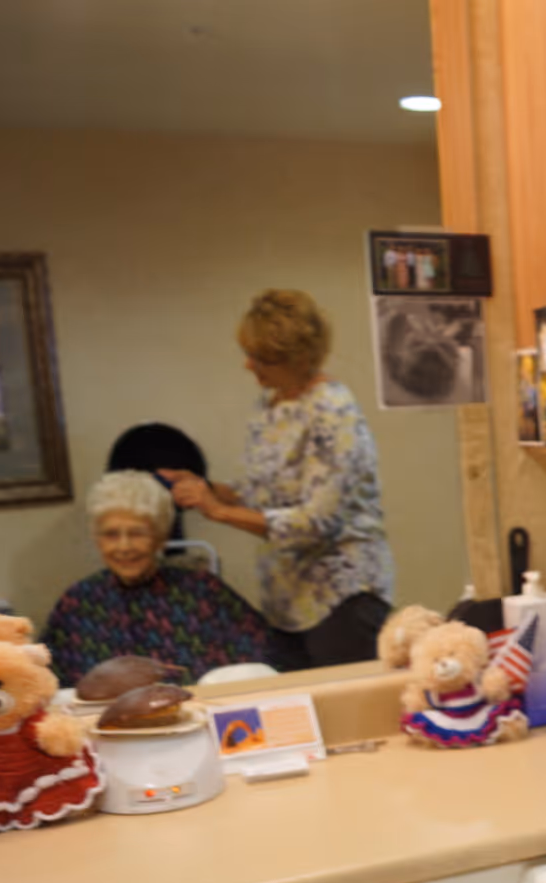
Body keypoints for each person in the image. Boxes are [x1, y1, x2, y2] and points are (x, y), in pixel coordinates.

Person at [161, 289, 395, 669]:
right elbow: (263, 495)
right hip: (285, 601)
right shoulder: (270, 405)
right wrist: (209, 490)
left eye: (261, 358)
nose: (249, 366)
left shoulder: (333, 412)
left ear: (299, 358)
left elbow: (316, 522)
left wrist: (217, 511)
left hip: (341, 600)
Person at [42, 471, 273, 687]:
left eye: (137, 533)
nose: (124, 547)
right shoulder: (77, 604)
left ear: (161, 538)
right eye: (111, 534)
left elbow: (260, 670)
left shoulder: (203, 593)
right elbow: (48, 687)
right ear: (97, 540)